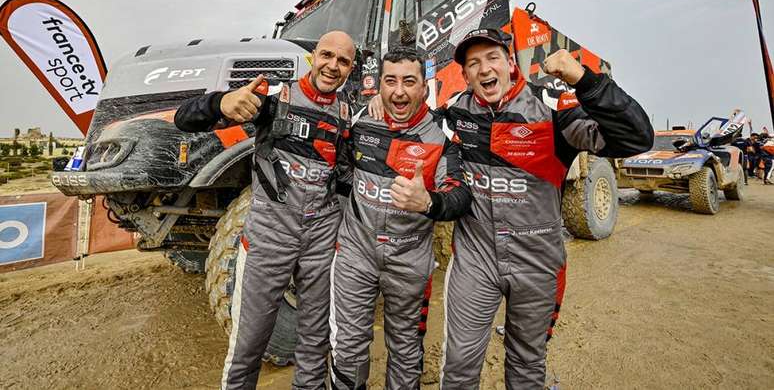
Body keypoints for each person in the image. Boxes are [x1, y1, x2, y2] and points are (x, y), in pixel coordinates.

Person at [370, 29, 652, 389]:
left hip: (537, 262)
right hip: (476, 261)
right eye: (473, 63)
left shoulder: (550, 109)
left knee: (527, 365)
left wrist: (584, 79)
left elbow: (636, 137)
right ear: (466, 75)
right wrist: (378, 101)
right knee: (458, 366)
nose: (484, 69)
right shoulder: (456, 112)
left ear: (510, 64)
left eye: (492, 58)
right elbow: (410, 120)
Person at [174, 31, 356, 390]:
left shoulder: (348, 116)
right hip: (268, 240)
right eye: (327, 55)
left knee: (314, 347)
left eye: (343, 61)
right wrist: (219, 104)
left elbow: (351, 181)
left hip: (321, 245)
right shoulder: (275, 96)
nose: (333, 66)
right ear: (313, 57)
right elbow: (184, 119)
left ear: (350, 69)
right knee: (248, 347)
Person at [329, 48, 472, 390]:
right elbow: (340, 168)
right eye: (390, 82)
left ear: (424, 86)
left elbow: (460, 196)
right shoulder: (362, 120)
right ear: (379, 85)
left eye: (409, 82)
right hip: (355, 255)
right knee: (347, 348)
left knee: (406, 350)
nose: (398, 92)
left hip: (409, 262)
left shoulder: (440, 135)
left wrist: (428, 202)